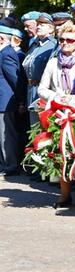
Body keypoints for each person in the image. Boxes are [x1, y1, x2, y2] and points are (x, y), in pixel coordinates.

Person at [38, 22, 75, 205]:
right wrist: (55, 96)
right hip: (58, 114)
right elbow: (41, 89)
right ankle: (64, 194)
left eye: (70, 40)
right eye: (61, 39)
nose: (65, 43)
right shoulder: (53, 62)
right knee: (61, 153)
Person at [23, 14, 57, 125]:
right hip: (31, 90)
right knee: (33, 128)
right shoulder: (35, 45)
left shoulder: (53, 45)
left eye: (43, 25)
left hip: (43, 91)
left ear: (51, 28)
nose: (38, 27)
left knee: (42, 127)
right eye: (37, 24)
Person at [0, 27, 21, 177]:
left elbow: (16, 80)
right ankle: (5, 164)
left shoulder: (7, 54)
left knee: (6, 136)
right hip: (3, 102)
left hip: (5, 102)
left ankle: (11, 165)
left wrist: (20, 101)